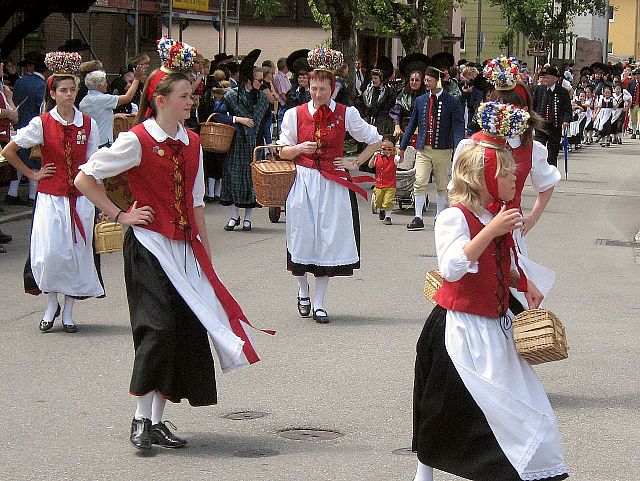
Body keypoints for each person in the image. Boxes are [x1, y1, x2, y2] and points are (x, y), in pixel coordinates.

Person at [75, 37, 270, 451]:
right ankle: (139, 418)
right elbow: (84, 178)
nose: (190, 101)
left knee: (182, 332)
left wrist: (207, 257)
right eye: (183, 95)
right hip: (148, 245)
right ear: (160, 99)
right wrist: (120, 214)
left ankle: (156, 421)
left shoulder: (193, 143)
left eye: (191, 94)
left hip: (184, 248)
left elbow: (197, 202)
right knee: (157, 329)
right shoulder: (136, 141)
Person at [412, 108, 568, 481]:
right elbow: (452, 266)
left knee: (516, 407)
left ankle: (528, 469)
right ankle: (427, 469)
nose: (516, 176)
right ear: (483, 178)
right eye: (507, 171)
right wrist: (491, 230)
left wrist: (521, 282)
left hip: (495, 322)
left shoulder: (494, 214)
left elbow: (495, 265)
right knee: (454, 406)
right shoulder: (456, 217)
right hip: (462, 325)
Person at [1, 51, 104, 332]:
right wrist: (32, 173)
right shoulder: (42, 123)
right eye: (63, 90)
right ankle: (51, 302)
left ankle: (69, 309)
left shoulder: (88, 123)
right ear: (54, 93)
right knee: (49, 253)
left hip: (81, 199)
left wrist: (104, 204)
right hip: (50, 196)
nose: (69, 94)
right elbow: (10, 150)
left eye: (73, 89)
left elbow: (93, 164)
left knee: (76, 254)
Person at [278, 47, 382, 323]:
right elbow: (282, 151)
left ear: (332, 88)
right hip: (304, 181)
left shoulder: (347, 114)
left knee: (327, 241)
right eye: (313, 88)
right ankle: (303, 291)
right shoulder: (294, 114)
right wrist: (300, 147)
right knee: (302, 238)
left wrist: (356, 162)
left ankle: (320, 303)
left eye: (323, 88)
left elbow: (375, 139)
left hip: (333, 184)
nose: (317, 94)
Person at [399, 66, 465, 230]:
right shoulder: (421, 101)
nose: (426, 82)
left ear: (438, 81)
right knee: (419, 181)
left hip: (443, 149)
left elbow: (458, 126)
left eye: (429, 80)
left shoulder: (452, 101)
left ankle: (439, 217)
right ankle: (418, 217)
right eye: (426, 79)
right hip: (423, 149)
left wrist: (460, 147)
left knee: (442, 185)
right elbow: (412, 124)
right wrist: (402, 146)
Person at [218, 49, 271, 231]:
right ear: (249, 79)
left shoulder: (263, 99)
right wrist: (237, 119)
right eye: (259, 80)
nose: (262, 83)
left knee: (251, 181)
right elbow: (217, 115)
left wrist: (269, 144)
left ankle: (248, 219)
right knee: (234, 178)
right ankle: (234, 217)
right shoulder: (232, 95)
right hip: (236, 143)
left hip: (255, 145)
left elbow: (265, 123)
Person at [6, 51, 49, 206]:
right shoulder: (42, 85)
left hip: (18, 124)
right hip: (34, 127)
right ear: (46, 69)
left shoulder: (21, 81)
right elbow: (43, 108)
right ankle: (32, 196)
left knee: (18, 159)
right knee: (34, 160)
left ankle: (12, 193)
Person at [79, 66, 144, 147]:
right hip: (103, 142)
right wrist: (136, 79)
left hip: (91, 141)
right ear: (100, 86)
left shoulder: (84, 101)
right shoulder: (102, 99)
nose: (106, 85)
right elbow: (127, 98)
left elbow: (97, 116)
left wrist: (114, 116)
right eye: (105, 82)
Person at [531, 66, 572, 167]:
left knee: (553, 151)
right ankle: (539, 171)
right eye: (544, 77)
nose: (545, 80)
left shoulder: (562, 91)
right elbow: (533, 106)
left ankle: (551, 172)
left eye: (547, 77)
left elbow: (567, 108)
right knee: (539, 149)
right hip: (541, 126)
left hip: (555, 126)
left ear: (555, 79)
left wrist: (566, 120)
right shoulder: (538, 89)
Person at [368, 135, 398, 225]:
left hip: (390, 184)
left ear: (393, 149)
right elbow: (370, 165)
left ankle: (388, 217)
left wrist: (399, 153)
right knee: (378, 201)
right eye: (384, 149)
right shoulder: (378, 157)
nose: (387, 151)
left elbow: (400, 160)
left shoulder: (394, 158)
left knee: (388, 201)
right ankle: (381, 210)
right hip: (379, 184)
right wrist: (374, 156)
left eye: (389, 149)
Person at [627, 68, 640, 138]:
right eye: (636, 75)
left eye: (639, 75)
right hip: (633, 104)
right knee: (633, 119)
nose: (637, 76)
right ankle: (634, 132)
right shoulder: (631, 83)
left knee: (639, 119)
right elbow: (628, 93)